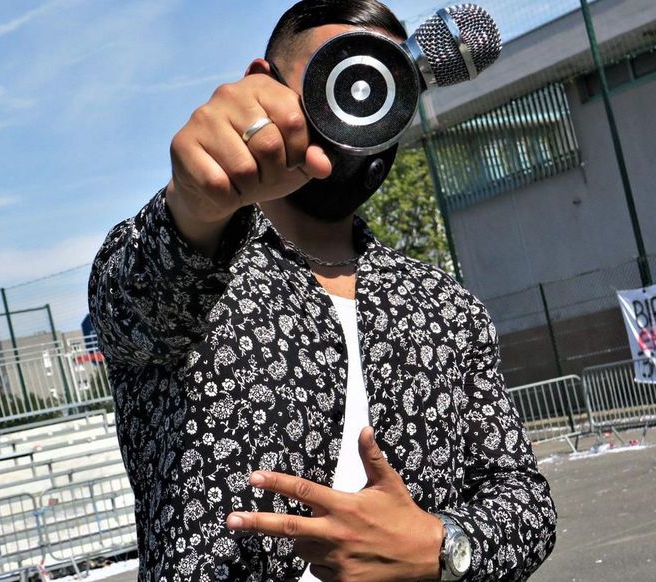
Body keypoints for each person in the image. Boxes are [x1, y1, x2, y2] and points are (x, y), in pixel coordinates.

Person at [87, 1, 557, 580]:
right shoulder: (182, 267)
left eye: (385, 85)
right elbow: (133, 304)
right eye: (337, 74)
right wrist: (193, 204)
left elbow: (523, 498)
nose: (358, 106)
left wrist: (441, 547)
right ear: (264, 85)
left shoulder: (444, 307)